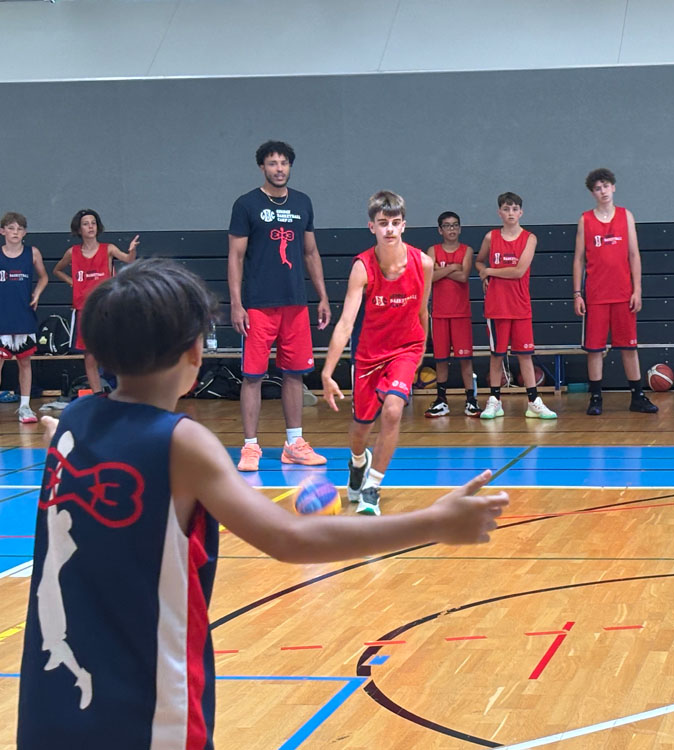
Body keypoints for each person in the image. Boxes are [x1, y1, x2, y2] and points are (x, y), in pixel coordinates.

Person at [16, 257, 507, 750]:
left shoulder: (74, 421)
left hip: (48, 702)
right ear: (195, 352)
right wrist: (432, 523)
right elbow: (290, 538)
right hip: (145, 710)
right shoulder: (182, 443)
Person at [321, 191, 433, 516]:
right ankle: (358, 462)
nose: (390, 229)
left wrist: (421, 350)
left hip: (406, 348)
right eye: (383, 223)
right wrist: (327, 372)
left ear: (404, 225)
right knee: (360, 430)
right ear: (372, 226)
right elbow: (345, 323)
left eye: (395, 223)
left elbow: (423, 312)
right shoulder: (362, 267)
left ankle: (372, 486)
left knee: (394, 411)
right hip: (370, 354)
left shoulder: (424, 264)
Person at [228, 140, 331, 472]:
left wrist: (322, 296)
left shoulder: (302, 202)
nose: (279, 168)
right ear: (262, 167)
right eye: (272, 163)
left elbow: (310, 252)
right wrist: (236, 304)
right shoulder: (246, 204)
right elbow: (236, 257)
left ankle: (294, 444)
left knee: (294, 374)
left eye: (284, 163)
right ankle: (250, 446)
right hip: (258, 305)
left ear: (290, 166)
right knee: (253, 376)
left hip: (295, 304)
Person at [572, 168, 657, 415]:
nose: (603, 191)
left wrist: (637, 289)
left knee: (629, 347)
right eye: (598, 188)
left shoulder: (625, 216)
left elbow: (634, 255)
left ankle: (637, 396)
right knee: (595, 349)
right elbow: (578, 259)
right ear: (593, 193)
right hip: (596, 295)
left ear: (613, 187)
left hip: (623, 293)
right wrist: (577, 293)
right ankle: (596, 398)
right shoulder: (585, 220)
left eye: (606, 186)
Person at [475, 192, 557, 420]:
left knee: (525, 355)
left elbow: (519, 271)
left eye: (514, 209)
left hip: (520, 305)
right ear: (499, 212)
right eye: (506, 209)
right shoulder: (491, 237)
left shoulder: (530, 238)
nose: (510, 213)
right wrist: (483, 273)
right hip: (496, 306)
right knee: (496, 356)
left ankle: (533, 402)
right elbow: (479, 261)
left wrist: (490, 271)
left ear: (521, 212)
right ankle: (494, 401)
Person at [52, 209, 138, 393]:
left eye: (93, 223)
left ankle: (124, 392)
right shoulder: (72, 252)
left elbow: (129, 259)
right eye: (86, 223)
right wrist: (73, 283)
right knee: (89, 355)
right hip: (84, 309)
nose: (90, 226)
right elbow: (57, 270)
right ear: (79, 229)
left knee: (115, 351)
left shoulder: (108, 248)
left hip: (107, 307)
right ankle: (98, 395)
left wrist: (132, 251)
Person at [425, 211, 480, 417]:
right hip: (439, 313)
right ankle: (441, 400)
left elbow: (464, 276)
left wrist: (442, 270)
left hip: (461, 313)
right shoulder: (433, 250)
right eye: (447, 226)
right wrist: (452, 268)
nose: (452, 229)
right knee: (440, 359)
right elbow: (429, 277)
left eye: (455, 225)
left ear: (460, 228)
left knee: (465, 359)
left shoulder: (467, 250)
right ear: (440, 230)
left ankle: (471, 400)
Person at [0, 212, 49, 423]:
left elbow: (44, 277)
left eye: (19, 229)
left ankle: (25, 406)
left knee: (25, 362)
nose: (15, 232)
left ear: (25, 233)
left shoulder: (32, 253)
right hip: (2, 316)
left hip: (23, 315)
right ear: (2, 231)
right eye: (11, 228)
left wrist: (37, 293)